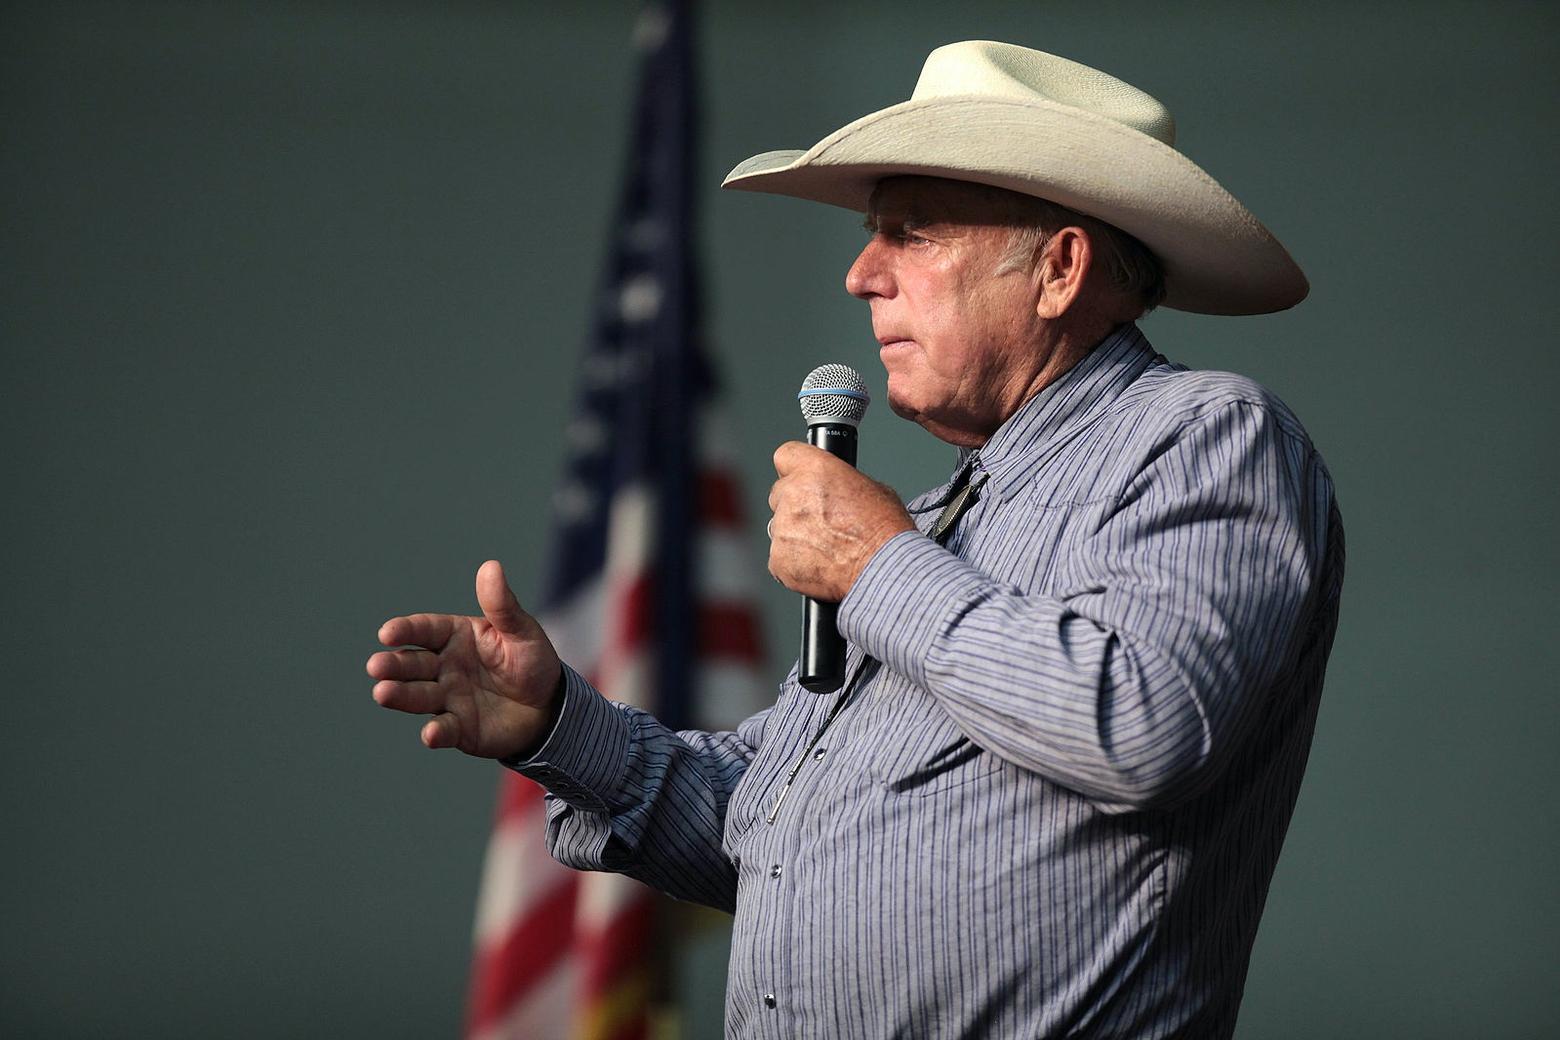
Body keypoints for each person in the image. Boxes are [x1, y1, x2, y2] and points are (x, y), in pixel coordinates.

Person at [368, 41, 1344, 1039]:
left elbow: (1147, 724)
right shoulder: (928, 524)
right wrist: (556, 726)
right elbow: (774, 828)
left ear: (1058, 268)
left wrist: (878, 565)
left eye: (909, 232)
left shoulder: (1208, 435)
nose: (859, 273)